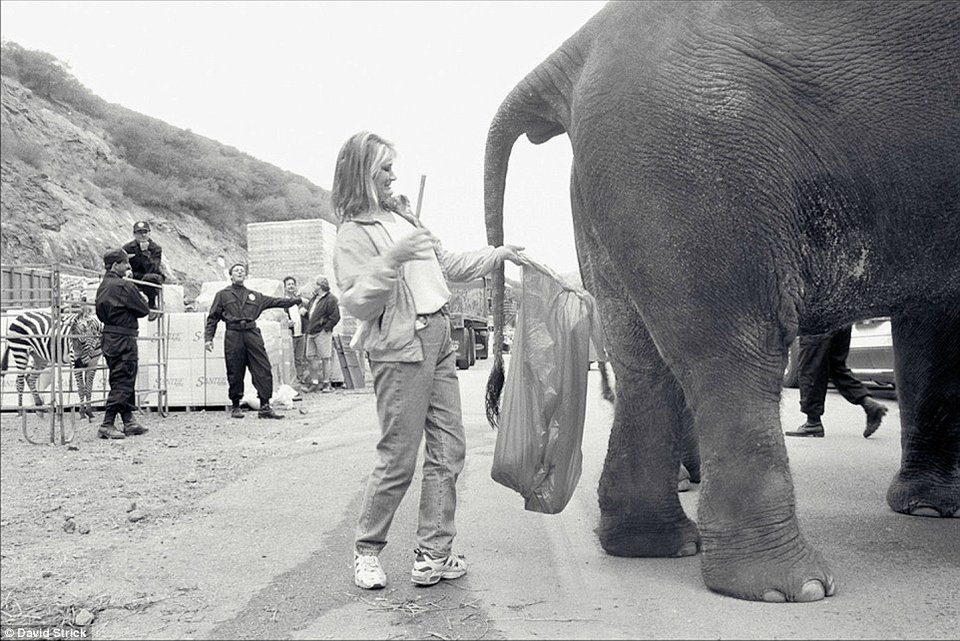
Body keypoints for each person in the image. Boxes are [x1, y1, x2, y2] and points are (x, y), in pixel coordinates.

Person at [332, 131, 524, 590]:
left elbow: (447, 267)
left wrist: (496, 254)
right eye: (384, 167)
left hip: (439, 336)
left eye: (393, 166)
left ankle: (432, 553)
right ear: (362, 172)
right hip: (401, 344)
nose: (392, 174)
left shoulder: (404, 216)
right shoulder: (354, 234)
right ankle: (367, 551)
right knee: (398, 456)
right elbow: (358, 300)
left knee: (448, 450)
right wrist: (392, 259)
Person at [204, 263, 303, 419]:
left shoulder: (255, 296)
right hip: (234, 334)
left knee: (263, 368)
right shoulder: (222, 295)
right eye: (236, 270)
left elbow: (276, 302)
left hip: (252, 334)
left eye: (242, 271)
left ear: (246, 276)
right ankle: (236, 405)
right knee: (235, 370)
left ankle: (265, 406)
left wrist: (295, 300)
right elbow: (213, 318)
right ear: (230, 275)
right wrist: (208, 338)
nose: (240, 272)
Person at [785, 325, 888, 438]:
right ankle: (868, 403)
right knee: (835, 367)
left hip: (819, 319)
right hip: (843, 320)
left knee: (810, 367)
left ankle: (813, 422)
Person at [95, 248, 151, 439]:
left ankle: (129, 421)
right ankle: (107, 423)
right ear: (115, 265)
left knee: (119, 378)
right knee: (124, 379)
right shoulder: (124, 286)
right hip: (124, 339)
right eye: (125, 262)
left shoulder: (103, 285)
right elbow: (144, 309)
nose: (128, 266)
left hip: (110, 337)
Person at [301, 275, 340, 393]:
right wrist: (305, 312)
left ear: (321, 286)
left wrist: (326, 328)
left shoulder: (331, 299)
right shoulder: (314, 298)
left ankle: (326, 383)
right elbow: (313, 313)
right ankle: (315, 382)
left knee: (325, 358)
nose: (313, 285)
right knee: (310, 357)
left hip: (322, 332)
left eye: (315, 284)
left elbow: (335, 317)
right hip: (311, 331)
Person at [122, 220, 166, 318]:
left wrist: (145, 253)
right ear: (134, 234)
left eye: (145, 232)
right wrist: (127, 270)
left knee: (149, 278)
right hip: (136, 276)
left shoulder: (155, 248)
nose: (143, 235)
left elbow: (153, 269)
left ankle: (152, 303)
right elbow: (122, 262)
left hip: (153, 276)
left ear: (149, 233)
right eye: (139, 233)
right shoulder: (128, 248)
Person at [282, 276, 308, 386]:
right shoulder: (283, 301)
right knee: (290, 358)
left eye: (293, 284)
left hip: (300, 333)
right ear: (285, 287)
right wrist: (286, 323)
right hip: (290, 334)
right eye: (289, 284)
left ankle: (300, 377)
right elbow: (280, 317)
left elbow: (306, 314)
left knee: (300, 358)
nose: (291, 286)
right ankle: (291, 380)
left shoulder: (299, 301)